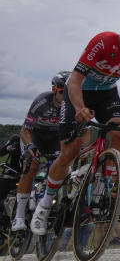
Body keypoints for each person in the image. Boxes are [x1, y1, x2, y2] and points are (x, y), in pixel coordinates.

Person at [31, 10, 120, 236]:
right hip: (79, 92)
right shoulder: (103, 42)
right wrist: (80, 107)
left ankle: (103, 185)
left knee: (119, 132)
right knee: (69, 152)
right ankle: (44, 205)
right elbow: (74, 80)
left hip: (107, 95)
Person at [11, 71, 70, 232]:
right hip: (35, 136)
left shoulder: (72, 105)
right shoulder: (42, 101)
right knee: (31, 166)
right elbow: (25, 130)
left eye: (69, 92)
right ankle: (19, 217)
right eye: (62, 92)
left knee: (60, 168)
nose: (66, 96)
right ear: (54, 89)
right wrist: (30, 145)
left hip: (55, 139)